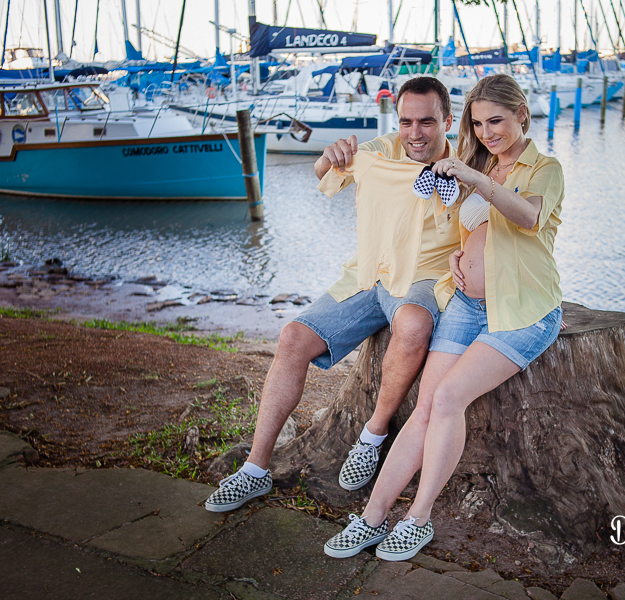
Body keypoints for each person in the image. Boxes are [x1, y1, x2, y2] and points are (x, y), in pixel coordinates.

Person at [323, 73, 565, 560]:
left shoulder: (545, 168)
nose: (487, 132)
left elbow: (526, 218)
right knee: (426, 406)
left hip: (522, 311)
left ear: (522, 114)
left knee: (450, 397)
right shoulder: (482, 162)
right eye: (478, 124)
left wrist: (475, 179)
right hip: (467, 304)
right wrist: (460, 256)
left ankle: (419, 519)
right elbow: (466, 226)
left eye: (496, 121)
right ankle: (371, 518)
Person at [204, 77, 461, 512]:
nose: (415, 133)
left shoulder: (467, 163)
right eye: (406, 122)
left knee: (414, 324)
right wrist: (328, 156)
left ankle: (372, 435)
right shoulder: (380, 152)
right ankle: (255, 468)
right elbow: (325, 175)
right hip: (370, 272)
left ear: (448, 121)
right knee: (292, 337)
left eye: (427, 122)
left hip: (423, 278)